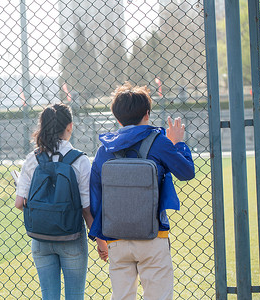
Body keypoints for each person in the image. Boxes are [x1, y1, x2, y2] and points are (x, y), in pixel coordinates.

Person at [89, 82, 195, 300]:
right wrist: (177, 144)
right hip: (153, 235)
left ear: (117, 118)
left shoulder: (104, 149)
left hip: (116, 237)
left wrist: (100, 236)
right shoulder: (159, 142)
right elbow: (186, 172)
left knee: (122, 296)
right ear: (147, 114)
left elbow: (96, 196)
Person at [15, 103, 107, 300]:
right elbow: (86, 207)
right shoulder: (79, 160)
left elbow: (19, 203)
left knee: (49, 296)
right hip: (71, 238)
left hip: (40, 239)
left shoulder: (33, 159)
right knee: (75, 296)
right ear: (70, 126)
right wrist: (100, 239)